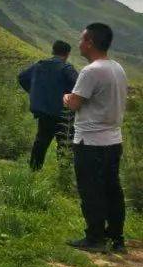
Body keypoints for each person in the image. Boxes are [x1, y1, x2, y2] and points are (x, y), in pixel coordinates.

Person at [62, 23, 129, 253]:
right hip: (113, 140)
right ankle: (117, 237)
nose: (79, 43)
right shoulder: (117, 67)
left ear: (90, 42)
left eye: (82, 39)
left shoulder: (90, 71)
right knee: (112, 188)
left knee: (90, 190)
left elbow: (75, 103)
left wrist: (66, 97)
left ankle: (95, 238)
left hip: (89, 141)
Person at [18, 40, 79, 171]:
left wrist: (35, 92)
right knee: (65, 144)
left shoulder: (39, 66)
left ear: (53, 51)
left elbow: (22, 77)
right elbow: (79, 87)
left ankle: (33, 171)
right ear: (67, 54)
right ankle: (64, 174)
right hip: (64, 113)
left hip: (45, 112)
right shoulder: (67, 68)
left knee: (41, 141)